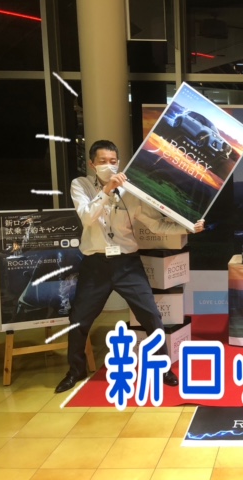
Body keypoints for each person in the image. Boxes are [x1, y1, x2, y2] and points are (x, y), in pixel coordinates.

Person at [55, 140, 205, 394]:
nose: (109, 166)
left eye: (113, 161)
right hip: (95, 265)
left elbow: (156, 225)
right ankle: (75, 371)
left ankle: (163, 367)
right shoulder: (80, 185)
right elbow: (87, 217)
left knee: (151, 316)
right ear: (91, 164)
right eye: (103, 161)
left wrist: (189, 227)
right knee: (79, 319)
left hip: (127, 264)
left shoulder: (131, 191)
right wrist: (107, 190)